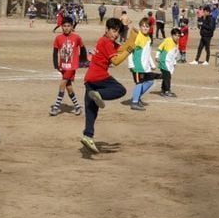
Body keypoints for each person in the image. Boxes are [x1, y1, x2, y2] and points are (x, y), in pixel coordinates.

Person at [80, 18, 137, 154]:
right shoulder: (105, 42)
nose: (115, 34)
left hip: (89, 80)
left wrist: (133, 36)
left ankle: (88, 136)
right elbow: (116, 60)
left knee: (91, 111)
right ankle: (100, 95)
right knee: (120, 90)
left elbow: (121, 48)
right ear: (106, 30)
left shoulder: (107, 42)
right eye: (113, 30)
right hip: (99, 77)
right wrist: (129, 50)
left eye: (117, 32)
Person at [50, 17, 83, 116]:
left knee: (62, 84)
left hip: (72, 66)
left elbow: (83, 48)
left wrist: (82, 61)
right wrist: (56, 64)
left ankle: (56, 107)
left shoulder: (76, 37)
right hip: (63, 66)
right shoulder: (58, 38)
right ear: (61, 27)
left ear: (72, 27)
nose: (66, 28)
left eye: (68, 26)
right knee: (68, 86)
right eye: (64, 26)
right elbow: (55, 52)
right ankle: (77, 106)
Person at [129, 17, 157, 110]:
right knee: (139, 83)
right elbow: (129, 51)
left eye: (147, 26)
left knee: (150, 81)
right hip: (137, 65)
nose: (145, 28)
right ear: (140, 27)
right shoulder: (137, 37)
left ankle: (136, 97)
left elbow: (148, 53)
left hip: (146, 66)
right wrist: (131, 64)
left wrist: (152, 64)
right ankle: (135, 102)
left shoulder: (148, 38)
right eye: (143, 26)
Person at [157, 27, 180, 97]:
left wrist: (174, 62)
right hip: (164, 61)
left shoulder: (176, 43)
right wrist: (157, 56)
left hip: (169, 63)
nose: (177, 37)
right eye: (176, 35)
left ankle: (163, 90)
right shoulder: (167, 40)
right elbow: (160, 47)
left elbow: (175, 54)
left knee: (166, 76)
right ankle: (167, 90)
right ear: (172, 35)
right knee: (167, 76)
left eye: (178, 35)